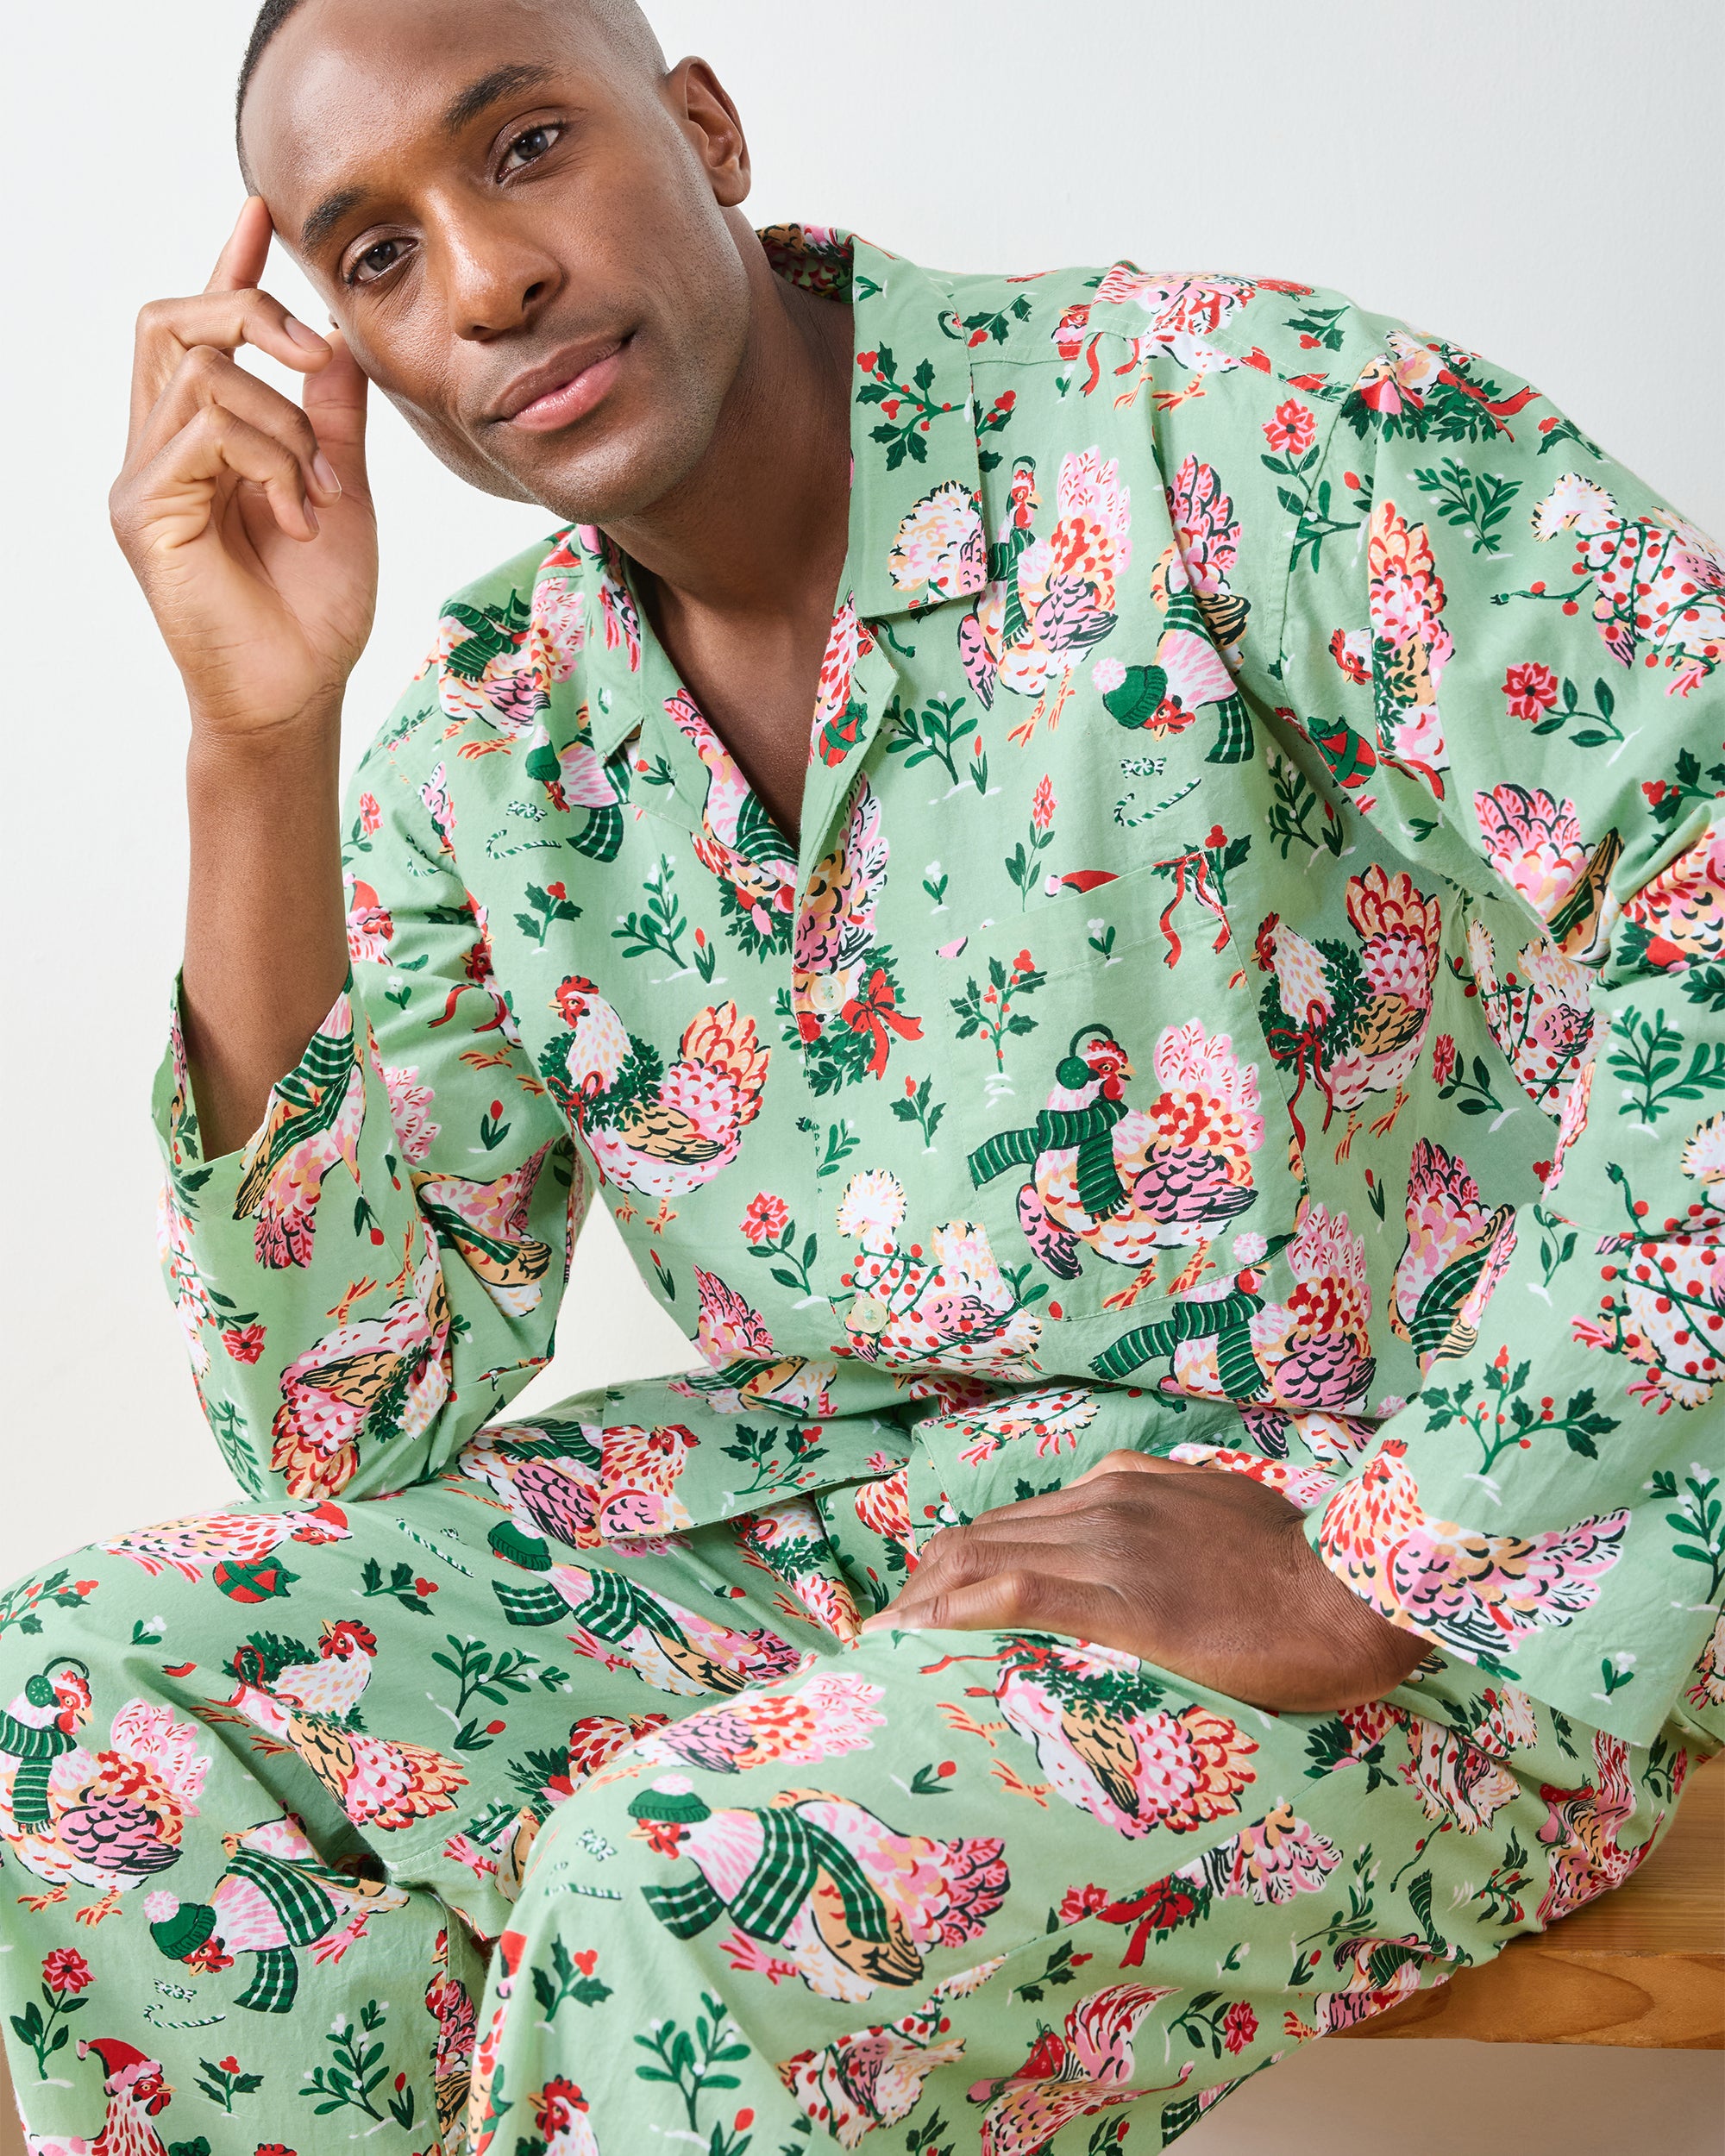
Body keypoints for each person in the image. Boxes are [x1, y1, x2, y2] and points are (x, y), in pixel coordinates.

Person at [4, 0, 1722, 2147]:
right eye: (375, 254)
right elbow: (337, 1424)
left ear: (705, 131)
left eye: (526, 145)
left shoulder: (1227, 418)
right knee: (79, 1687)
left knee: (677, 1893)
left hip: (1421, 1575)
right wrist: (256, 737)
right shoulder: (487, 732)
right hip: (827, 1531)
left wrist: (1386, 1550)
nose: (485, 278)